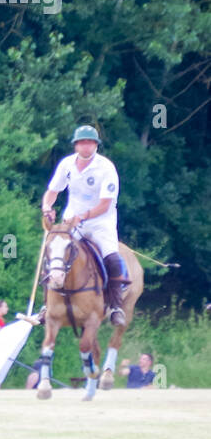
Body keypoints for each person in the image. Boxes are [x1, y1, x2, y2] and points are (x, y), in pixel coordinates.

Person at [40, 125, 130, 329]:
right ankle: (47, 305)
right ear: (76, 145)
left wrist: (84, 216)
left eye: (90, 142)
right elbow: (52, 191)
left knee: (112, 257)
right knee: (55, 253)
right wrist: (47, 207)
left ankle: (116, 306)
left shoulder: (106, 167)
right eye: (82, 142)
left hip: (100, 222)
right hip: (72, 221)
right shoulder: (66, 165)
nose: (85, 146)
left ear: (96, 145)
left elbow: (105, 203)